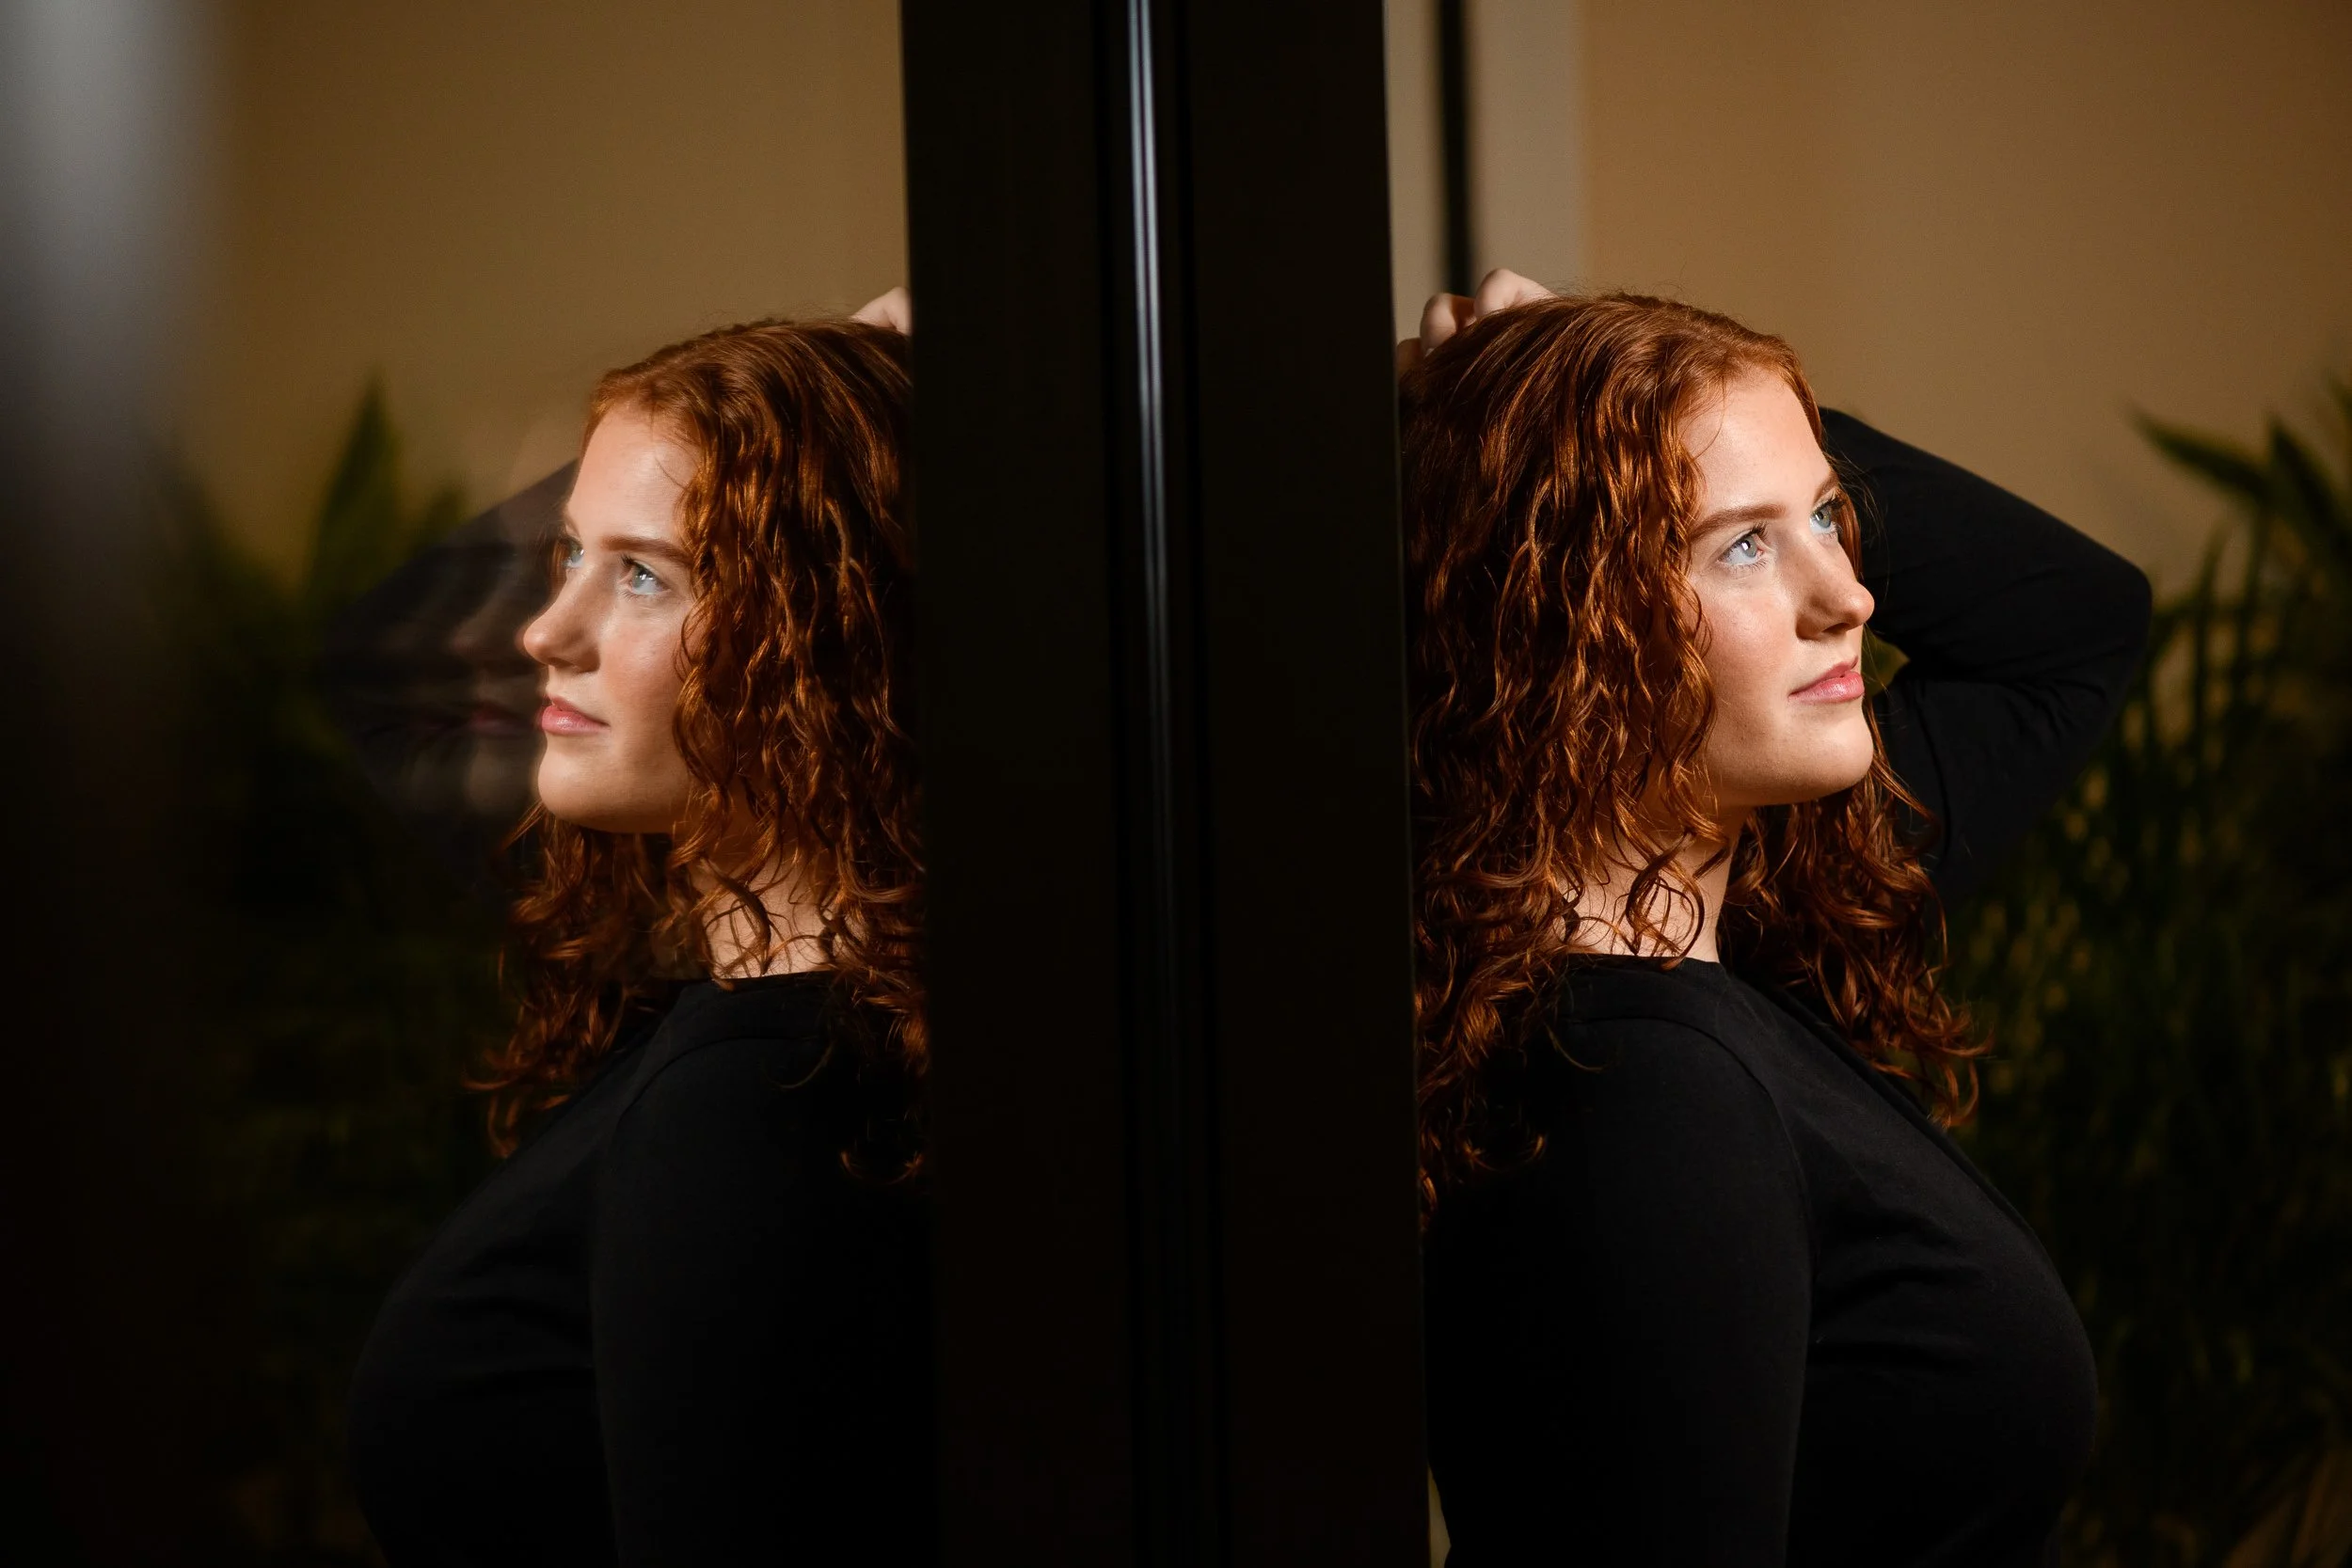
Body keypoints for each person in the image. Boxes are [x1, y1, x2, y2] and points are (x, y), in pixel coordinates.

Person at [1405, 276, 2151, 1564]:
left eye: (1828, 518)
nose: (1850, 595)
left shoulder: (1753, 929)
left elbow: (2077, 625)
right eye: (1744, 546)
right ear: (1564, 615)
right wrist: (1574, 425)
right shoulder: (1646, 1088)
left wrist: (1650, 390)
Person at [345, 310, 935, 1565]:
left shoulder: (750, 1102)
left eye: (642, 575)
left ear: (824, 628)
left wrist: (849, 417)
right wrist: (842, 381)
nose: (545, 633)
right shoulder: (774, 1027)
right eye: (569, 551)